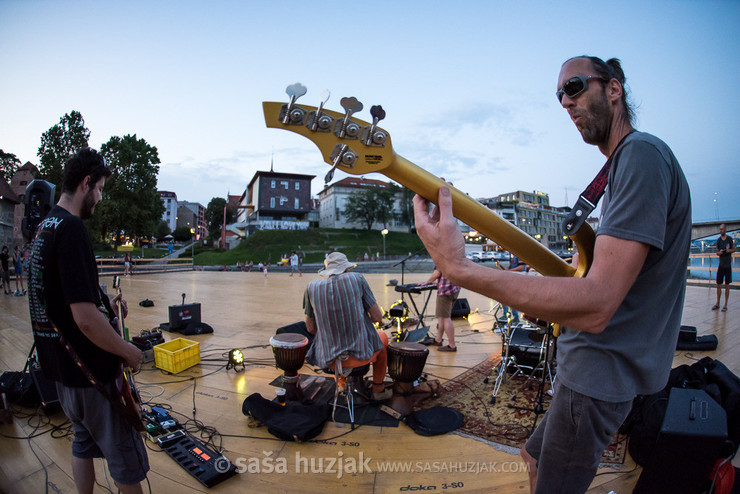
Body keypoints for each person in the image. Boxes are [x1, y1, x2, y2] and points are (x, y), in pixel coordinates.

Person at [413, 56, 691, 493]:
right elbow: (604, 281)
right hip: (591, 366)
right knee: (533, 454)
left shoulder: (641, 155)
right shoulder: (623, 165)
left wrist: (460, 268)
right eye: (560, 95)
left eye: (575, 87)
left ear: (613, 89)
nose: (566, 102)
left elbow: (598, 305)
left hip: (600, 372)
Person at [28, 148, 149, 494]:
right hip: (91, 374)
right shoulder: (72, 230)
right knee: (125, 457)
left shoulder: (44, 227)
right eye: (99, 189)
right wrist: (128, 351)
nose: (99, 198)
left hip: (61, 373)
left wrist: (106, 306)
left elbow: (59, 297)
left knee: (82, 441)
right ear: (86, 183)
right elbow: (84, 320)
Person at [303, 252, 392, 401]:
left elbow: (311, 329)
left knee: (333, 342)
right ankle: (378, 388)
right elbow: (377, 317)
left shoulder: (311, 287)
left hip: (328, 359)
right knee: (382, 337)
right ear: (346, 269)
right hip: (360, 357)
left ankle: (342, 385)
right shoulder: (357, 279)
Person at [423, 266, 461, 352]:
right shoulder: (455, 254)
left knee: (445, 318)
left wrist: (427, 282)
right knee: (442, 317)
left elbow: (437, 274)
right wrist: (438, 283)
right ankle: (438, 340)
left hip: (445, 291)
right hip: (454, 289)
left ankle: (452, 346)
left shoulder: (441, 255)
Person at [713, 223, 734, 312]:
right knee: (718, 285)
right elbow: (717, 252)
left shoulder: (729, 239)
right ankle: (717, 303)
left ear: (725, 230)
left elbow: (734, 249)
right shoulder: (718, 240)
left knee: (727, 285)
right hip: (721, 265)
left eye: (722, 229)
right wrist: (720, 253)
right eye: (720, 229)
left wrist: (729, 250)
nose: (720, 231)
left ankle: (725, 304)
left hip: (728, 265)